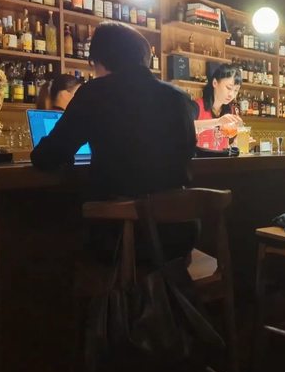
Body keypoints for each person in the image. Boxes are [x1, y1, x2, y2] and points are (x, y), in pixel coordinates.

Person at [31, 21, 197, 260]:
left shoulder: (96, 92)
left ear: (99, 60)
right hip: (179, 234)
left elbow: (47, 156)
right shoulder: (179, 97)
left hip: (123, 236)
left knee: (57, 236)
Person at [194, 64, 242, 150]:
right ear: (215, 83)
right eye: (229, 88)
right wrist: (218, 122)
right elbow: (185, 128)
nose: (231, 94)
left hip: (219, 159)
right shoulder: (196, 106)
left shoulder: (229, 110)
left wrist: (236, 144)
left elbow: (223, 147)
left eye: (236, 90)